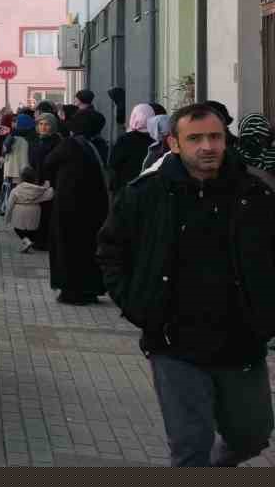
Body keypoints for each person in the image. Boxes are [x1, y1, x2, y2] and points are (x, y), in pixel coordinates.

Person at [96, 104, 275, 467]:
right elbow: (110, 251)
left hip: (241, 341)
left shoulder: (256, 193)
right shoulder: (146, 194)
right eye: (195, 138)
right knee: (190, 449)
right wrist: (139, 306)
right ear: (174, 144)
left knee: (252, 436)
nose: (207, 146)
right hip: (175, 344)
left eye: (215, 137)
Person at [30, 110, 109, 305]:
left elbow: (48, 162)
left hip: (69, 207)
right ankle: (89, 289)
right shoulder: (94, 145)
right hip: (93, 207)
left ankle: (72, 291)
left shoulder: (70, 144)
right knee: (88, 249)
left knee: (69, 250)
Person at [109, 103, 157, 193]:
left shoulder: (125, 139)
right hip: (149, 188)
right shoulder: (155, 139)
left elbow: (113, 162)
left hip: (126, 188)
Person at [8, 168, 54, 252]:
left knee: (18, 229)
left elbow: (10, 204)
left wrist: (7, 217)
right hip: (35, 209)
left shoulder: (16, 190)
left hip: (19, 210)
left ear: (21, 178)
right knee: (33, 229)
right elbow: (49, 195)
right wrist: (48, 186)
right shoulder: (39, 190)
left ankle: (26, 241)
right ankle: (29, 242)